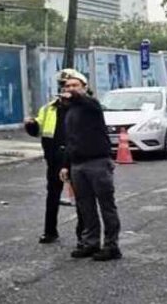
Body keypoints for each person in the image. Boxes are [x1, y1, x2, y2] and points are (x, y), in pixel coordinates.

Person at [57, 70, 121, 261]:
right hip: (77, 164)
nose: (70, 89)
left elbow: (86, 101)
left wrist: (74, 96)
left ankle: (111, 246)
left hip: (98, 162)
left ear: (85, 88)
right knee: (86, 207)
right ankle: (90, 243)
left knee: (106, 206)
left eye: (75, 85)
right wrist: (65, 165)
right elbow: (69, 140)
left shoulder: (91, 105)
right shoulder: (69, 111)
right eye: (67, 86)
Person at [24, 69, 84, 245]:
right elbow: (38, 130)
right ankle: (50, 231)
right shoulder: (49, 108)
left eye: (71, 86)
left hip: (76, 158)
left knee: (81, 198)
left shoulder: (83, 107)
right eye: (63, 85)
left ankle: (83, 235)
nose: (66, 89)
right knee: (52, 196)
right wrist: (31, 124)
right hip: (54, 159)